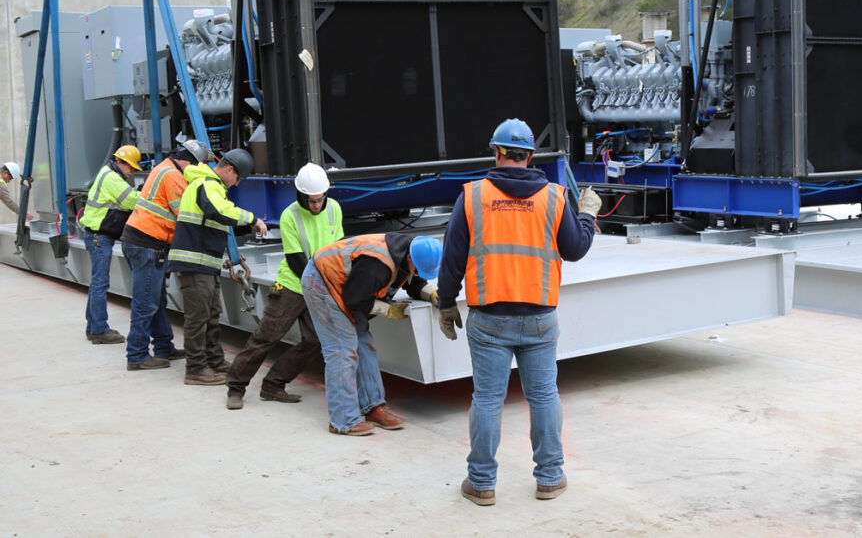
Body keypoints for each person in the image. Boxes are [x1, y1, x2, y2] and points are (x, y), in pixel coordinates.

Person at [437, 118, 601, 506]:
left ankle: (481, 484)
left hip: (489, 318)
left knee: (487, 400)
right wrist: (587, 214)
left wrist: (445, 302)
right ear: (529, 156)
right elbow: (575, 249)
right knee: (543, 397)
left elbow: (452, 258)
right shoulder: (555, 198)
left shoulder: (473, 197)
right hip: (540, 316)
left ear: (496, 152)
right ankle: (550, 478)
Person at [225, 162, 343, 410]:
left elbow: (339, 249)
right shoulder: (290, 215)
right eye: (312, 201)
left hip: (320, 285)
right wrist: (323, 286)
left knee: (314, 341)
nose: (317, 205)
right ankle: (236, 387)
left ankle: (274, 384)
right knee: (266, 337)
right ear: (300, 195)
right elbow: (297, 260)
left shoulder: (334, 208)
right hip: (293, 284)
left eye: (320, 199)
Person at [302, 232, 443, 436]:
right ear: (410, 257)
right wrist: (387, 310)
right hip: (322, 281)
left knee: (364, 344)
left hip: (350, 286)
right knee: (343, 350)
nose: (418, 272)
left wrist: (431, 294)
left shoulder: (410, 253)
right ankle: (343, 420)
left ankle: (373, 408)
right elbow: (354, 300)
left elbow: (413, 280)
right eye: (418, 268)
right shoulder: (377, 264)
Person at [166, 149, 268, 386]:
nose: (237, 184)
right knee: (198, 318)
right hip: (194, 262)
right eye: (238, 178)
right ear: (230, 170)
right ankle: (195, 369)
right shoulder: (207, 184)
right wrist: (252, 219)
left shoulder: (211, 185)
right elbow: (219, 210)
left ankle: (214, 360)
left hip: (204, 263)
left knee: (211, 314)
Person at [121, 140, 211, 372]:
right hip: (147, 244)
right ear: (189, 162)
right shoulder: (173, 176)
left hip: (142, 242)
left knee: (156, 300)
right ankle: (137, 354)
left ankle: (164, 347)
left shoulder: (163, 167)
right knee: (145, 303)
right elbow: (185, 216)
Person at [80, 145, 143, 344]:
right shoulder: (112, 178)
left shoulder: (108, 173)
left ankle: (93, 327)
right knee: (100, 282)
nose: (132, 172)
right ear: (120, 162)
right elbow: (131, 201)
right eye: (130, 167)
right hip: (99, 236)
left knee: (97, 282)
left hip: (96, 234)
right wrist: (148, 193)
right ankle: (99, 330)